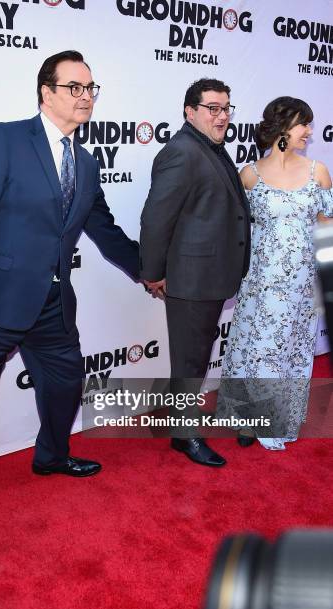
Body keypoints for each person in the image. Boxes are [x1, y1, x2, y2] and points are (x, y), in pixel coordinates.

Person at [0, 50, 140, 559]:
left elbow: (104, 229)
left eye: (92, 88)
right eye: (75, 87)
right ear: (45, 91)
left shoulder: (88, 162)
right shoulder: (4, 139)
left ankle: (51, 455)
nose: (86, 97)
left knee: (65, 381)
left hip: (53, 303)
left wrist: (149, 271)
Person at [140, 78, 251, 467]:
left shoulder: (210, 148)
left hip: (208, 276)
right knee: (189, 363)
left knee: (196, 359)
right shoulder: (183, 152)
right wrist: (153, 273)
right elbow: (155, 219)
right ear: (190, 112)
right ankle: (184, 436)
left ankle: (183, 429)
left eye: (226, 108)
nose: (222, 117)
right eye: (213, 109)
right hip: (191, 279)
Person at [218, 96, 333, 450]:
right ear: (283, 127)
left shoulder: (319, 172)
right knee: (256, 347)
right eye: (304, 124)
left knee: (293, 349)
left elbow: (326, 231)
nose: (310, 131)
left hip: (302, 281)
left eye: (311, 124)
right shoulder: (249, 175)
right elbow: (237, 231)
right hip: (260, 279)